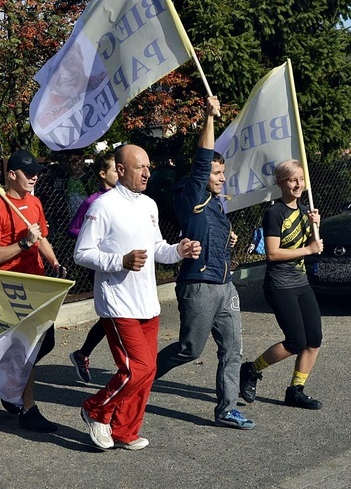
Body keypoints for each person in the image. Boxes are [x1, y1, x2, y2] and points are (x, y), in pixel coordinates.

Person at [73, 144, 201, 450]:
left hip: (147, 301)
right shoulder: (102, 207)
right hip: (118, 302)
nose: (146, 173)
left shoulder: (149, 205)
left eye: (148, 167)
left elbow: (157, 248)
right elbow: (82, 253)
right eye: (139, 167)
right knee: (137, 369)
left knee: (149, 370)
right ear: (120, 170)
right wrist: (120, 261)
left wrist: (178, 251)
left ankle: (124, 430)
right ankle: (95, 409)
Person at [154, 97, 255, 429]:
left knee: (233, 351)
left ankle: (226, 409)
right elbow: (200, 161)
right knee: (190, 349)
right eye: (216, 171)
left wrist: (229, 240)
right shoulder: (193, 195)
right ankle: (146, 373)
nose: (221, 177)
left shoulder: (216, 205)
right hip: (198, 288)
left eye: (223, 172)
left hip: (225, 287)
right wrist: (210, 117)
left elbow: (211, 237)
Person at [0, 149, 67, 433]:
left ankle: (9, 378)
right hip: (12, 288)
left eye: (36, 174)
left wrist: (53, 261)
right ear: (11, 174)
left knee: (47, 342)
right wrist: (22, 245)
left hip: (38, 283)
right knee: (28, 348)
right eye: (28, 173)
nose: (33, 178)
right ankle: (27, 408)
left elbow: (40, 237)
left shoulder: (35, 202)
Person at [240, 160, 324, 410]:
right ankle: (252, 370)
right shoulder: (274, 213)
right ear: (281, 183)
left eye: (300, 179)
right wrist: (309, 249)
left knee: (314, 340)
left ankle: (295, 390)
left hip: (301, 282)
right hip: (280, 285)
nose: (298, 184)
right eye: (292, 180)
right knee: (295, 341)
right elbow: (273, 254)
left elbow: (313, 245)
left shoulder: (304, 211)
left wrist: (314, 228)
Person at [67, 152, 118, 383]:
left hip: (123, 264)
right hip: (101, 265)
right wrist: (98, 239)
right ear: (102, 173)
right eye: (116, 169)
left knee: (114, 316)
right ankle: (128, 367)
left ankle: (82, 354)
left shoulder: (128, 199)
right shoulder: (93, 201)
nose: (121, 172)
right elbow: (74, 229)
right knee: (114, 315)